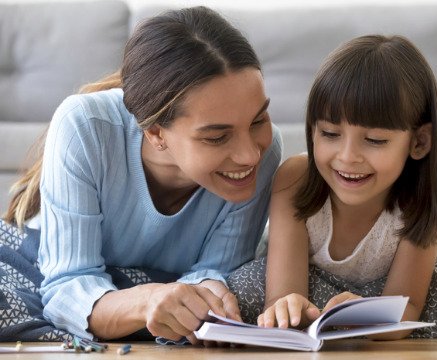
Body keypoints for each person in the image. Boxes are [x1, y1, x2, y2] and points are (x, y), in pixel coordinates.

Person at [4, 7, 281, 343]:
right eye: (217, 136)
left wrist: (210, 293)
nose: (250, 154)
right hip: (43, 266)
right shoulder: (85, 127)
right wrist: (149, 299)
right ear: (156, 134)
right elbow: (67, 286)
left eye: (257, 121)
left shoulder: (266, 154)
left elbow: (218, 270)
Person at [257, 35, 437, 339]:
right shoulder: (295, 179)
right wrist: (290, 306)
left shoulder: (418, 204)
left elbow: (408, 305)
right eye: (330, 134)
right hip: (281, 269)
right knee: (246, 284)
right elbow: (282, 297)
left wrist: (365, 313)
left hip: (371, 293)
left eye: (375, 140)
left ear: (419, 142)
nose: (347, 157)